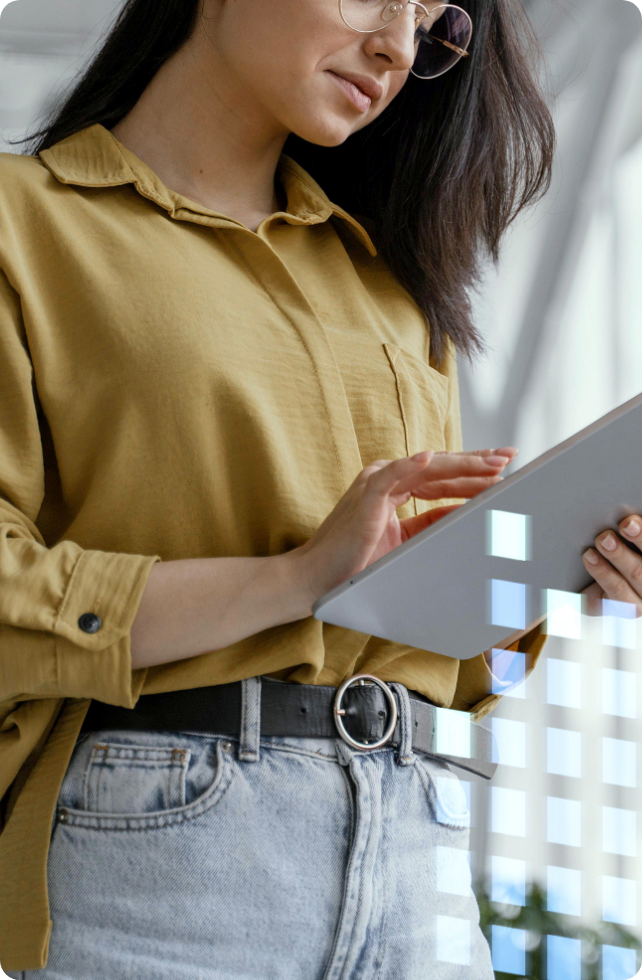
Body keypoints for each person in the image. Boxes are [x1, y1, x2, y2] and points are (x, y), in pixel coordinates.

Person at [0, 0, 563, 976]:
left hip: (420, 852)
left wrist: (555, 560)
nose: (396, 44)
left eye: (431, 23)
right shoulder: (25, 223)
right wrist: (294, 577)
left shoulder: (394, 290)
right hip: (165, 855)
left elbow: (452, 665)